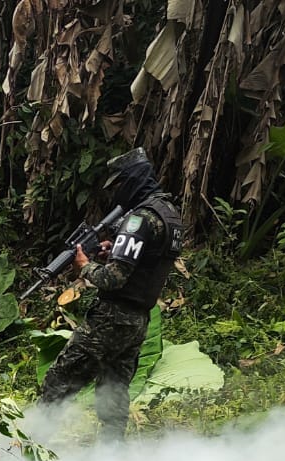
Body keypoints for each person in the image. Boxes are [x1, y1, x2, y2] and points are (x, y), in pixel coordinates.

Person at [38, 148, 183, 435]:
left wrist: (85, 266)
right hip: (138, 320)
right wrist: (113, 250)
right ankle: (112, 454)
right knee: (114, 393)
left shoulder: (139, 219)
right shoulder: (168, 214)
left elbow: (112, 279)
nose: (117, 192)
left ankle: (30, 443)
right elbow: (146, 261)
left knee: (60, 381)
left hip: (111, 317)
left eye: (120, 184)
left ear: (132, 181)